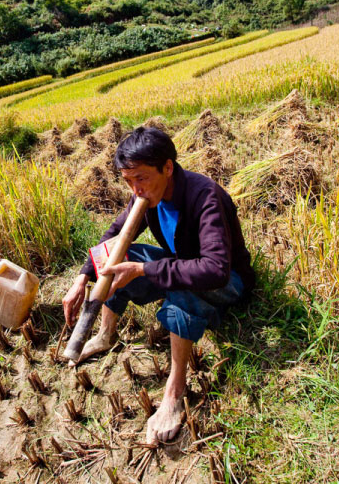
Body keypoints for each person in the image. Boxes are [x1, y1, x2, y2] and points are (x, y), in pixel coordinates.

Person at [62, 126, 255, 444]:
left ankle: (174, 391)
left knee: (177, 286)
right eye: (128, 181)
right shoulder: (146, 195)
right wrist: (84, 276)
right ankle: (104, 334)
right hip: (184, 265)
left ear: (168, 167)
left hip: (228, 281)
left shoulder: (205, 197)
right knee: (117, 255)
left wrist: (143, 270)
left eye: (141, 178)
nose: (135, 189)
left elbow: (216, 270)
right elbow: (114, 233)